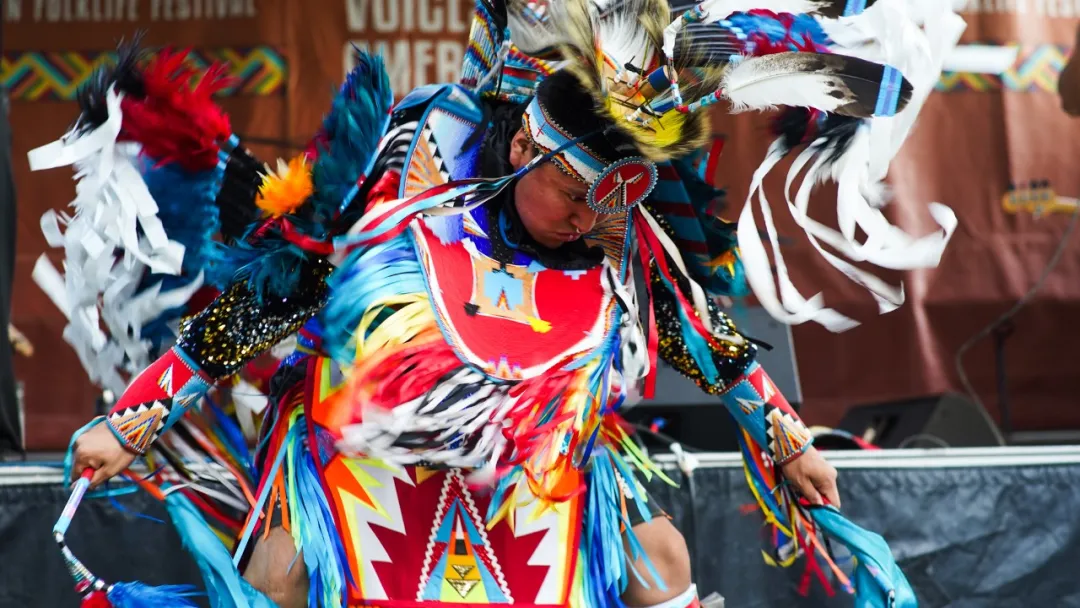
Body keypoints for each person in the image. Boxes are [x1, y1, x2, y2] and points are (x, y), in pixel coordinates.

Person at [46, 1, 962, 607]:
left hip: (539, 459)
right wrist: (132, 421)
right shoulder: (406, 171)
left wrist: (784, 436)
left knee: (661, 567)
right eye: (571, 192)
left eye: (613, 198)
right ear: (526, 140)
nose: (588, 218)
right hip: (373, 457)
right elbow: (270, 297)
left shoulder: (611, 223)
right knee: (282, 576)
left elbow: (694, 329)